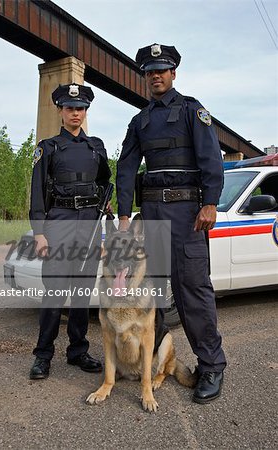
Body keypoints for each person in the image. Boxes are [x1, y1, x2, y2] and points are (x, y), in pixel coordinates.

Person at [116, 44, 226, 404]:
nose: (156, 76)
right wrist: (122, 213)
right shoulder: (140, 121)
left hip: (185, 216)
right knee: (148, 294)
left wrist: (210, 202)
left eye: (162, 70)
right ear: (145, 77)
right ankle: (153, 360)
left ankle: (211, 366)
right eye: (150, 72)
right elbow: (127, 168)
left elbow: (211, 157)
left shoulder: (193, 111)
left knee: (192, 291)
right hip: (149, 217)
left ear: (173, 73)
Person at [29, 83, 111, 379]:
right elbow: (37, 191)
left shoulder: (97, 147)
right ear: (60, 111)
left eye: (80, 108)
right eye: (70, 108)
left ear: (86, 111)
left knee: (81, 292)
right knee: (54, 292)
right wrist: (39, 232)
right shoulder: (47, 147)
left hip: (89, 223)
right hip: (59, 221)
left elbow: (104, 183)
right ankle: (43, 355)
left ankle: (78, 351)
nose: (75, 113)